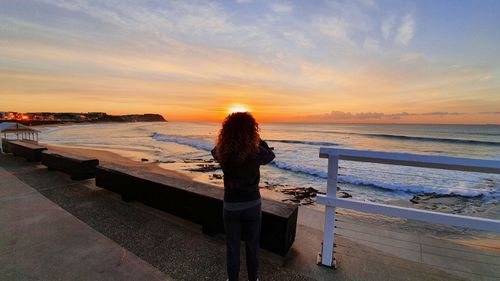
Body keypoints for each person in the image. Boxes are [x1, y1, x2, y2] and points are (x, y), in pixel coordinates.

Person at [211, 112, 275, 281]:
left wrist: (227, 140)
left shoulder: (223, 151)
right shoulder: (255, 152)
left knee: (232, 247)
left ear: (226, 130)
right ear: (252, 130)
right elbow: (270, 155)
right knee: (252, 246)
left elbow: (213, 152)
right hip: (252, 204)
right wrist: (258, 140)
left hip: (231, 206)